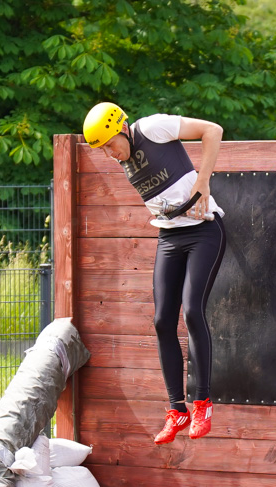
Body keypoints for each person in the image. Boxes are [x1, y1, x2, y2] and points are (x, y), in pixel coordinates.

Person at [83, 102, 226, 445]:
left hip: (204, 230)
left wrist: (203, 181)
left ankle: (202, 403)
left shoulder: (153, 128)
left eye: (109, 145)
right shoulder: (124, 159)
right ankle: (177, 410)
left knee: (192, 311)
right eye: (102, 151)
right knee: (162, 320)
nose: (109, 154)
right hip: (170, 235)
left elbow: (213, 130)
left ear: (122, 129)